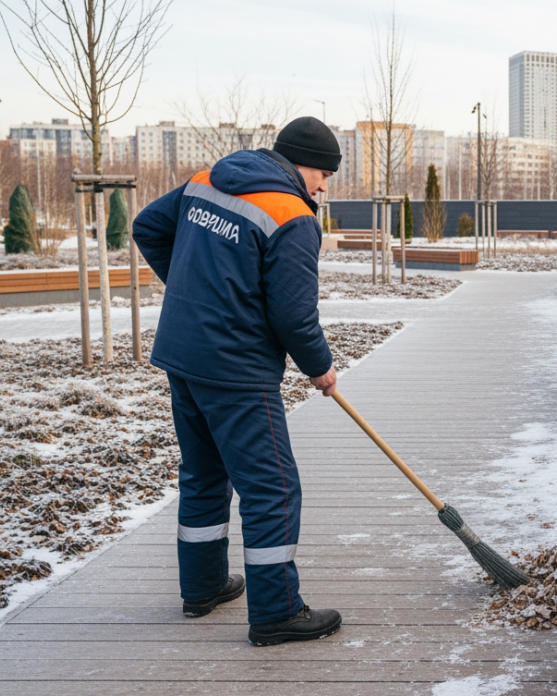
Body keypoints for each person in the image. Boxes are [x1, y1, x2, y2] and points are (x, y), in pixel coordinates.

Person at [133, 116, 343, 646]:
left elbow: (147, 227)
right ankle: (275, 611)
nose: (322, 187)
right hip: (237, 370)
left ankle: (202, 587)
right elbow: (294, 317)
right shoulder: (292, 216)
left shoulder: (207, 179)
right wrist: (320, 367)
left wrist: (195, 294)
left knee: (203, 473)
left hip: (184, 354)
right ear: (302, 164)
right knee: (272, 488)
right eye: (323, 174)